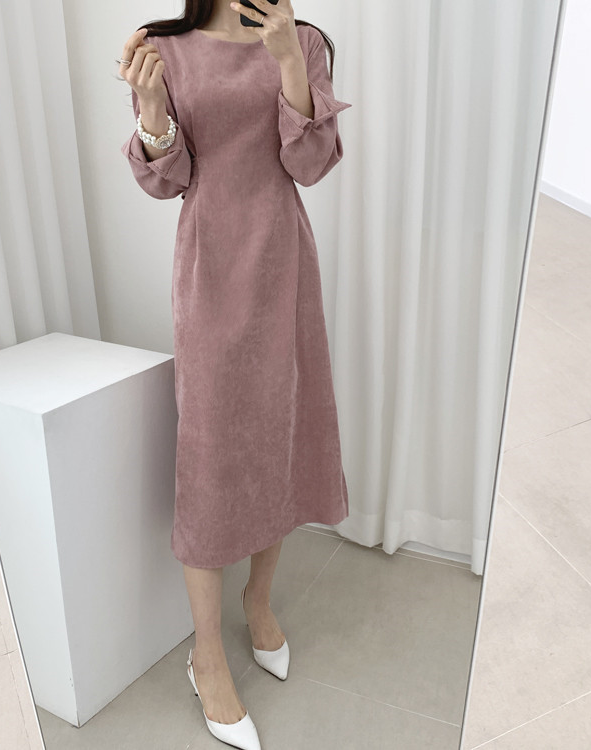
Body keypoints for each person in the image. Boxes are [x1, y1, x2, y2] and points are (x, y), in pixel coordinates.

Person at [118, 1, 351, 746]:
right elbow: (168, 181)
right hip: (210, 269)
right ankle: (207, 654)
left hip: (282, 265)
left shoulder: (303, 41)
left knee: (276, 436)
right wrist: (152, 109)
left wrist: (287, 63)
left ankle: (258, 600)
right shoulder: (165, 48)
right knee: (213, 460)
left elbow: (310, 165)